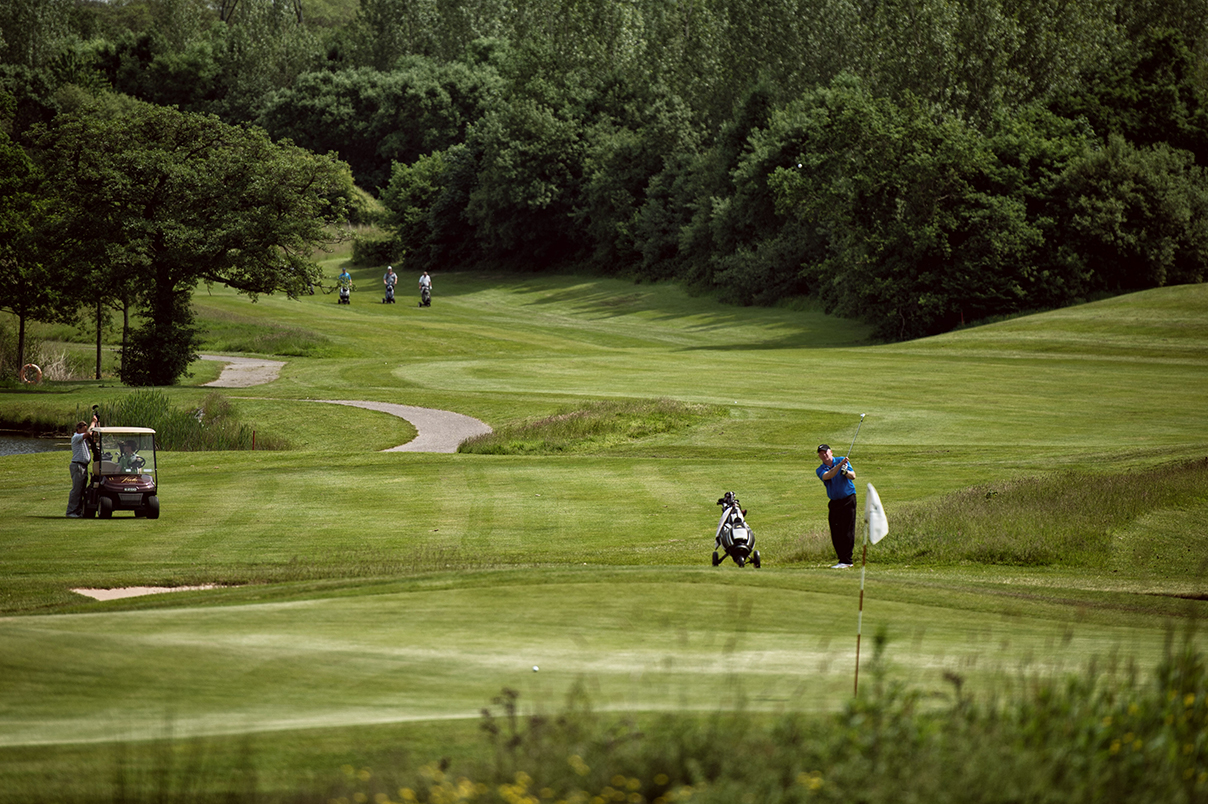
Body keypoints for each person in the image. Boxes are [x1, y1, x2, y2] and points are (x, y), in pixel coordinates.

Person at [816, 443, 856, 568]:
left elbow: (853, 476)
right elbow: (828, 476)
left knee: (847, 530)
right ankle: (841, 560)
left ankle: (847, 560)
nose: (824, 455)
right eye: (821, 454)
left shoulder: (842, 460)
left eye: (825, 452)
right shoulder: (820, 469)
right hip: (834, 502)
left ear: (831, 452)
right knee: (836, 531)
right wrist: (840, 467)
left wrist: (846, 472)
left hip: (848, 499)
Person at [66, 415, 97, 517]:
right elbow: (89, 433)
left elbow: (89, 434)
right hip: (78, 466)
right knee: (77, 490)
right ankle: (71, 512)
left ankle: (78, 511)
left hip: (83, 467)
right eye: (83, 429)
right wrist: (93, 422)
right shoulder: (76, 437)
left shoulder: (81, 438)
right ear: (78, 429)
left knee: (82, 490)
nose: (85, 432)